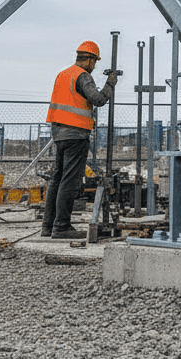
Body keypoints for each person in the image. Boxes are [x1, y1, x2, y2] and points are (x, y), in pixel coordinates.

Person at [41, 41, 119, 239]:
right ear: (91, 59)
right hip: (76, 134)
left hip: (59, 133)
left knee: (57, 179)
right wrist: (110, 83)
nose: (95, 67)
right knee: (70, 181)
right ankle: (61, 227)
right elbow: (98, 100)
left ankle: (48, 226)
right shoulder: (82, 76)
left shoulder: (63, 74)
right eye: (95, 62)